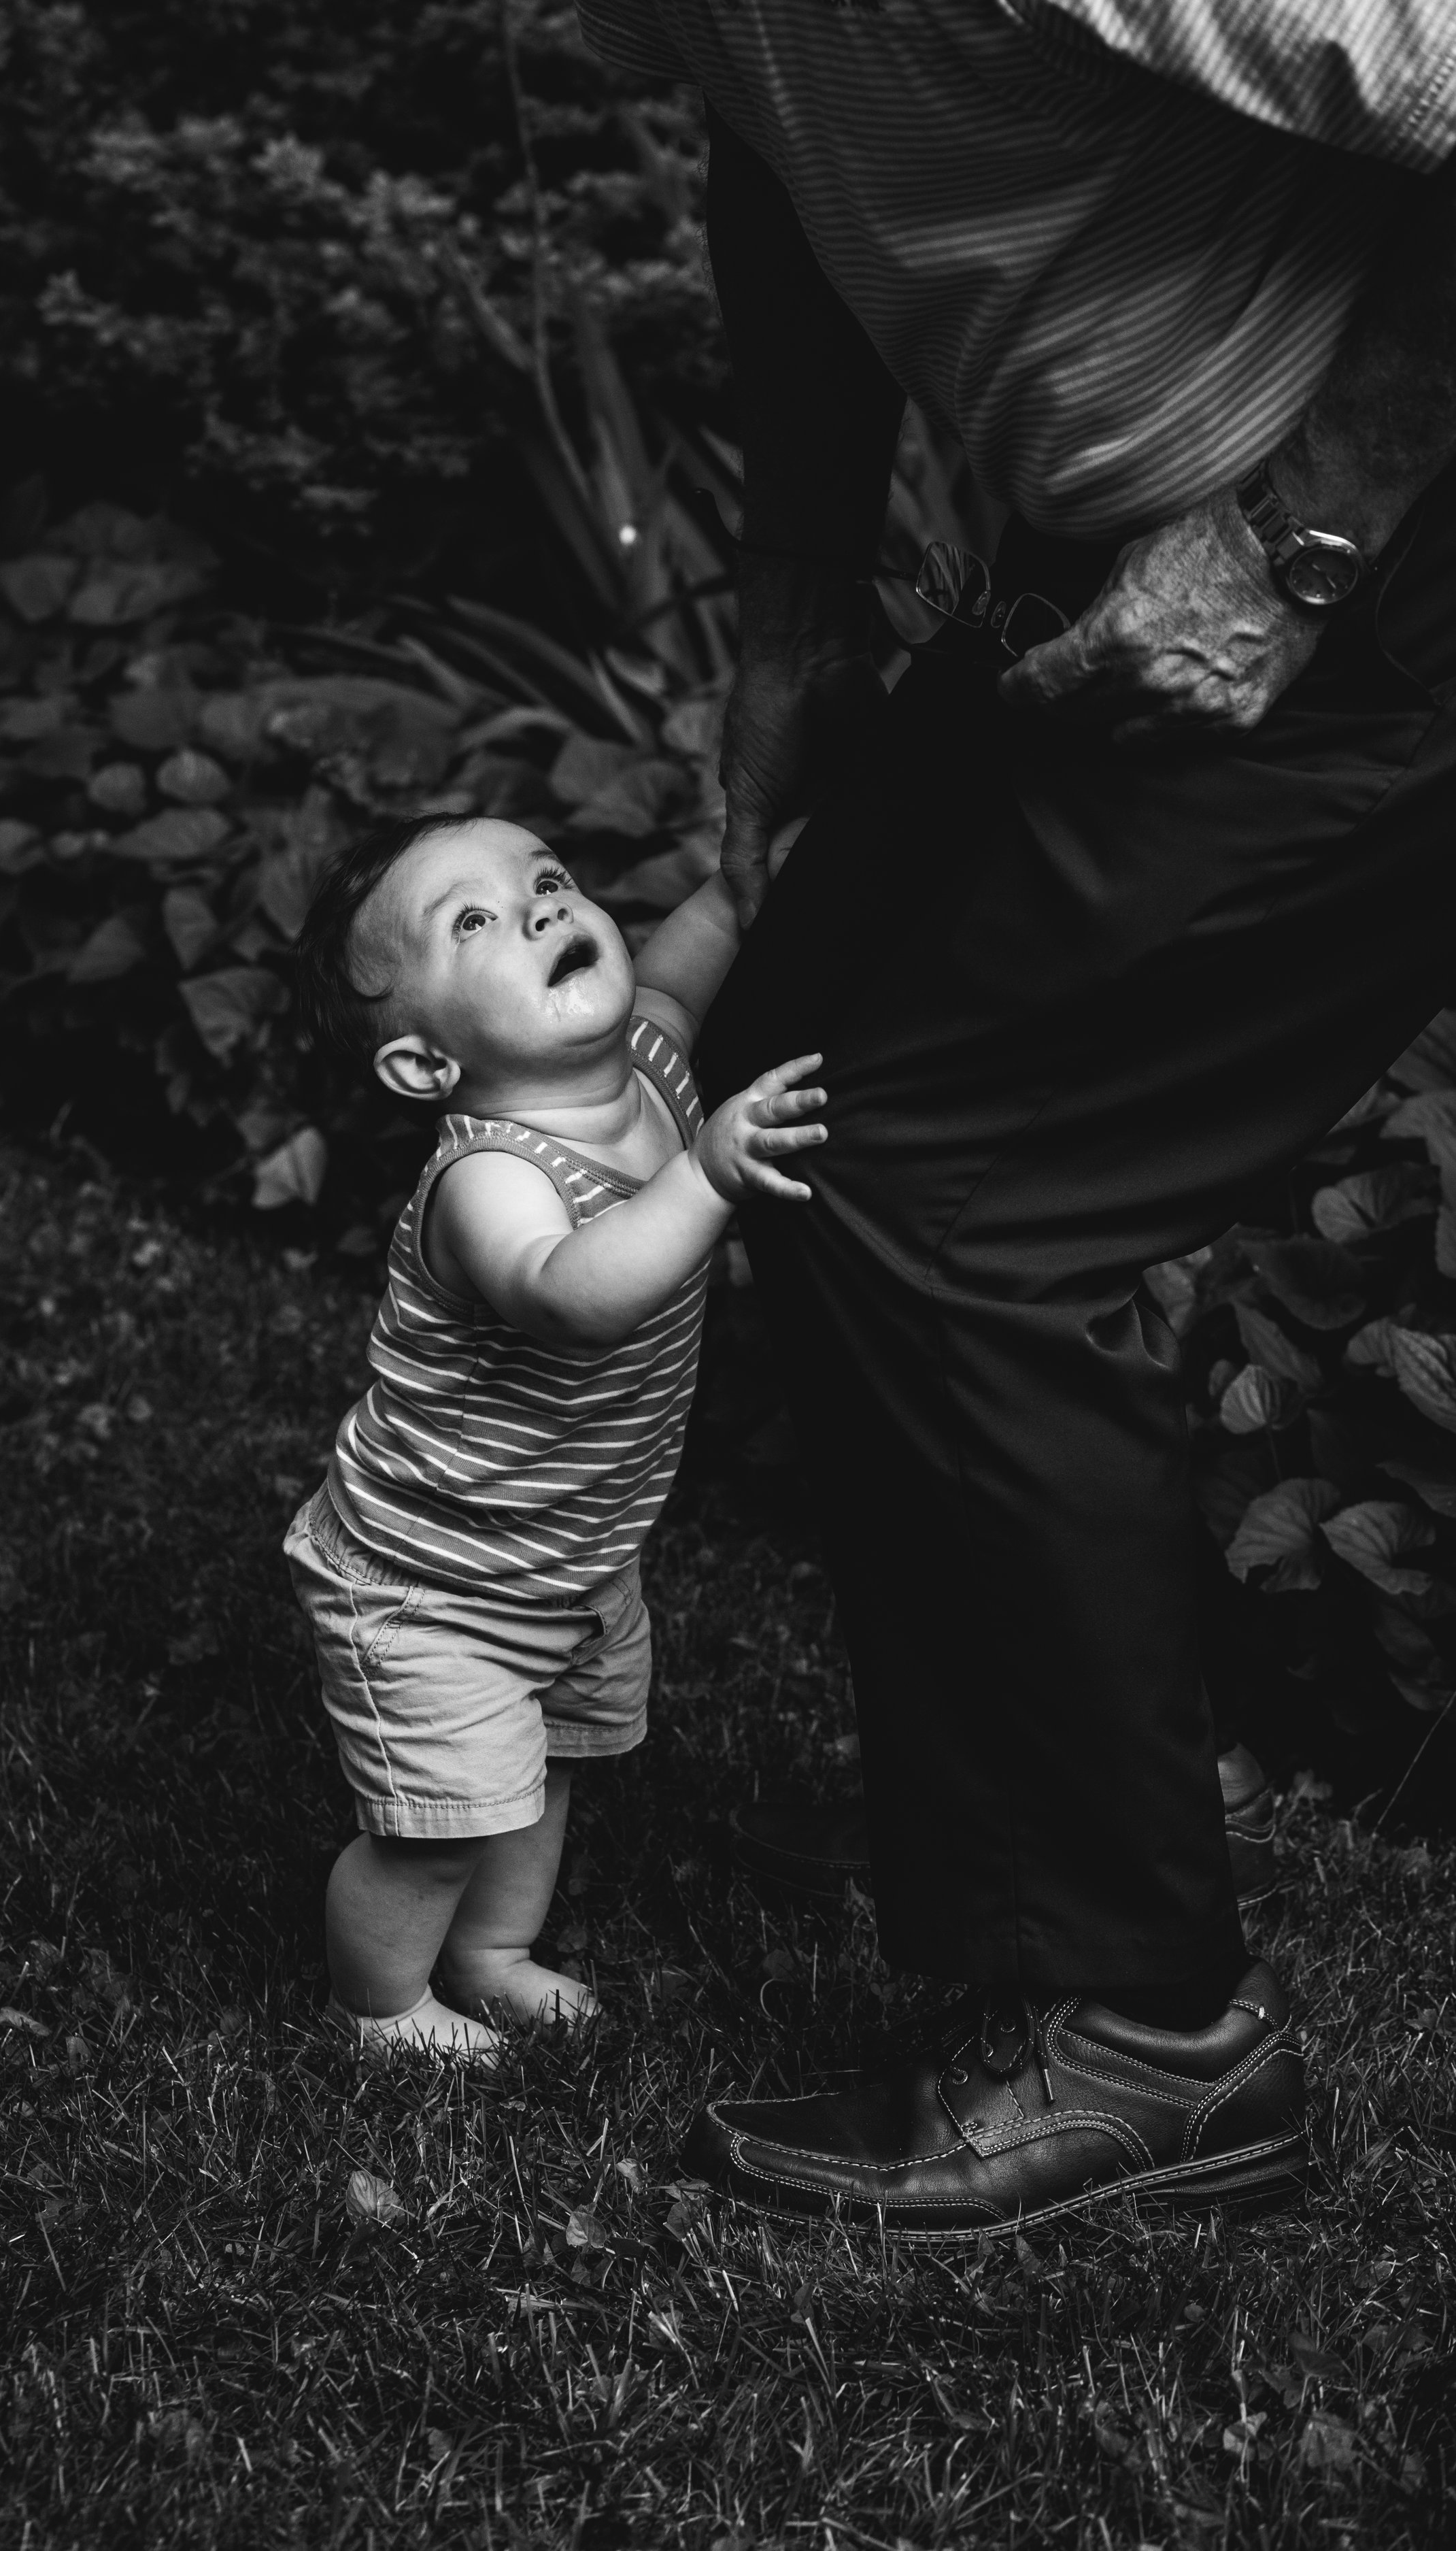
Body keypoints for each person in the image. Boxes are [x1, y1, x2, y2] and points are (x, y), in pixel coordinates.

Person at [577, 0, 1456, 2233]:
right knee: (803, 1041)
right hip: (1148, 525)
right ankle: (1046, 1826)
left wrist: (1302, 541)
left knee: (926, 1171)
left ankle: (1144, 2025)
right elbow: (788, 150)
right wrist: (794, 606)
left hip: (1390, 555)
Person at [286, 814, 824, 2063]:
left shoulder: (653, 1062)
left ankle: (489, 1955)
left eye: (547, 884)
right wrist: (711, 1175)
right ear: (425, 1068)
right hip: (433, 1576)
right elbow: (577, 1294)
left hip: (572, 1556)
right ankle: (376, 2009)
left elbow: (687, 963)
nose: (537, 911)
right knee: (442, 1821)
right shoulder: (492, 1178)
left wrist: (744, 882)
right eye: (470, 921)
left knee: (544, 1769)